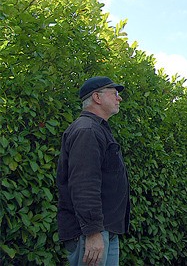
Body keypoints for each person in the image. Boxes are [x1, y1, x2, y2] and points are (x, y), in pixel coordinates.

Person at [57, 76, 130, 266]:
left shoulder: (97, 129)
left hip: (104, 231)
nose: (119, 98)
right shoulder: (87, 130)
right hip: (91, 233)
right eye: (114, 93)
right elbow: (84, 184)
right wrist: (93, 232)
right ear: (97, 97)